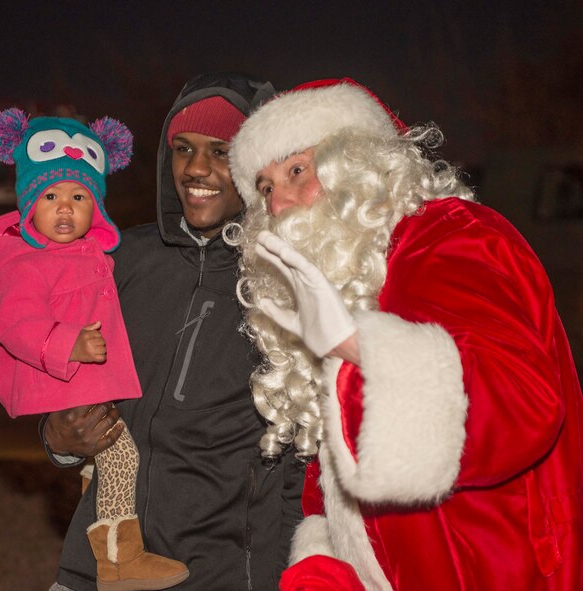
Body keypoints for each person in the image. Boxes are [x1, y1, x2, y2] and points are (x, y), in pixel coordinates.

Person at [227, 78, 583, 590]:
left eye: (296, 171)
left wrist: (354, 345)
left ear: (353, 161)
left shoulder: (451, 238)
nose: (279, 205)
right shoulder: (359, 276)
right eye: (265, 188)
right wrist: (321, 563)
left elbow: (520, 404)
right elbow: (339, 470)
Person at [42, 72, 305, 591]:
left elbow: (301, 467)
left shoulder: (286, 286)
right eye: (183, 149)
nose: (197, 168)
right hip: (94, 571)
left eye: (220, 151)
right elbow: (58, 376)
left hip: (218, 576)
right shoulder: (117, 262)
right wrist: (58, 439)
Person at [0, 112, 189, 590]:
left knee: (102, 466)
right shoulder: (29, 265)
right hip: (68, 385)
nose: (65, 209)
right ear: (28, 207)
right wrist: (70, 341)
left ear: (96, 208)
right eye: (51, 197)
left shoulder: (92, 256)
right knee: (122, 454)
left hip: (85, 384)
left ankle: (104, 544)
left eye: (79, 197)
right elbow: (16, 326)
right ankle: (120, 561)